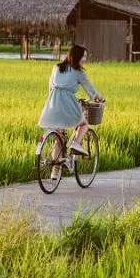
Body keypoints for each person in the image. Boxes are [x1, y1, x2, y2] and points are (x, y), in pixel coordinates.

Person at [37, 45, 104, 179]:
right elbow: (91, 89)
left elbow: (51, 86)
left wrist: (53, 98)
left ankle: (55, 172)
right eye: (84, 56)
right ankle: (76, 144)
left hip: (52, 103)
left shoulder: (57, 67)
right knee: (84, 124)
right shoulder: (79, 72)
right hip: (67, 102)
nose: (85, 59)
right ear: (77, 57)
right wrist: (100, 98)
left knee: (59, 137)